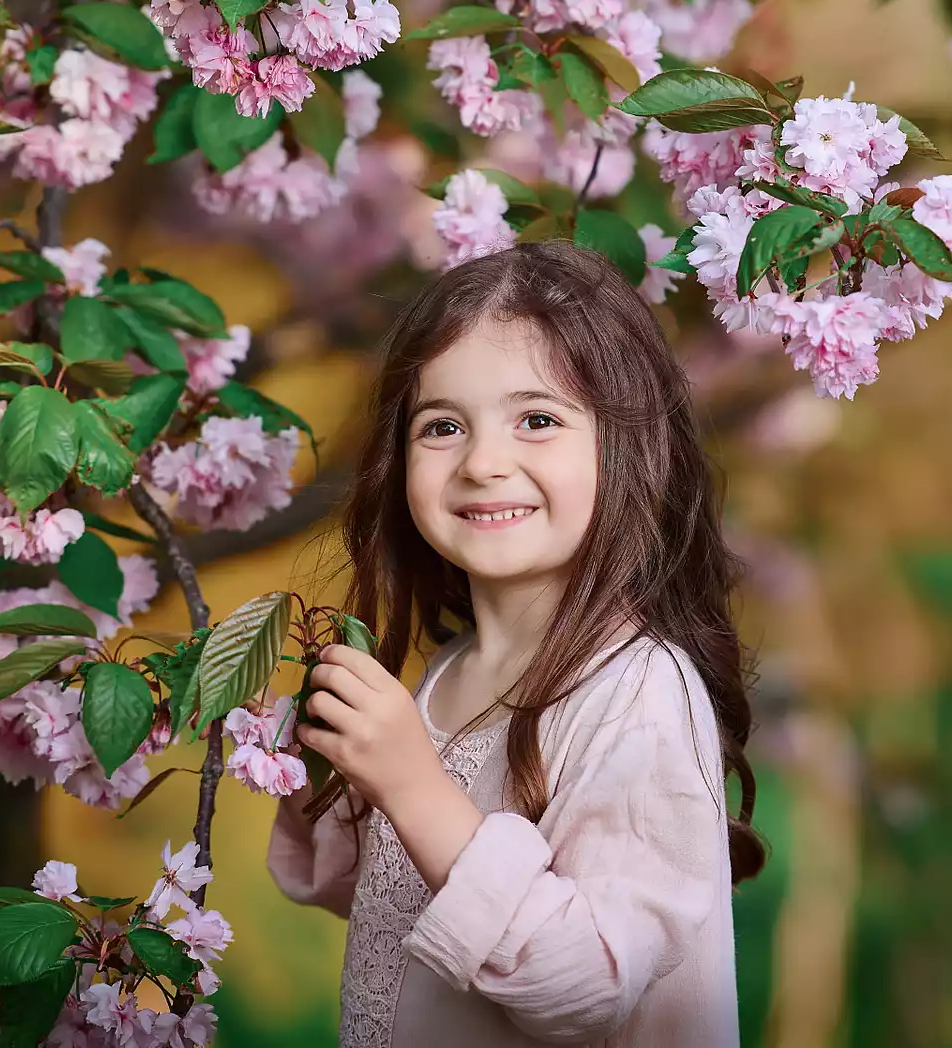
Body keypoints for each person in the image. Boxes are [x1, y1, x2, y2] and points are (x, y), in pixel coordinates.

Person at [266, 241, 765, 1047]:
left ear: (628, 445)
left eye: (537, 420)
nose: (483, 463)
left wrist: (414, 785)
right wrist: (305, 749)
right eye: (442, 426)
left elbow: (582, 986)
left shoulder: (635, 693)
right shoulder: (454, 671)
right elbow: (376, 893)